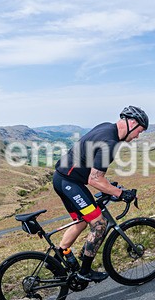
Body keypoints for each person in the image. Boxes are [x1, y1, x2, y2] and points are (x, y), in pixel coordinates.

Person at [53, 106, 148, 282]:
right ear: (132, 123)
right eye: (139, 131)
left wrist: (108, 186)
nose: (137, 137)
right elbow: (95, 179)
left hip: (61, 178)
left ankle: (59, 257)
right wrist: (121, 193)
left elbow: (93, 167)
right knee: (99, 224)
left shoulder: (106, 127)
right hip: (70, 182)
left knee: (81, 222)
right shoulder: (110, 143)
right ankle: (85, 271)